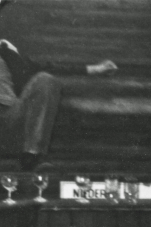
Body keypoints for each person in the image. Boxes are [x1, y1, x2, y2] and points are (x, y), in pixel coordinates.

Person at [0, 0, 116, 170]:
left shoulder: (6, 49)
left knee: (45, 80)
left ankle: (32, 155)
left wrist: (94, 69)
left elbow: (43, 67)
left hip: (9, 118)